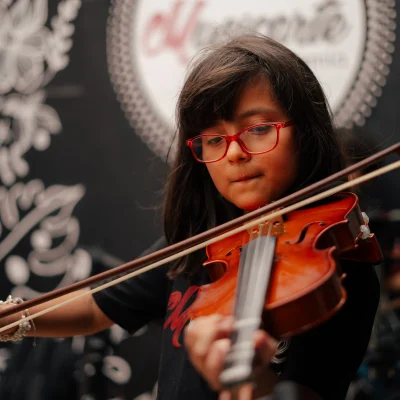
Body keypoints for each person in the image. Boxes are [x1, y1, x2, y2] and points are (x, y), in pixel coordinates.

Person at [0, 34, 380, 400]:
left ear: (307, 134)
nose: (234, 153)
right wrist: (14, 318)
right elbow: (94, 309)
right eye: (214, 139)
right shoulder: (203, 241)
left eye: (259, 129)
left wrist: (245, 380)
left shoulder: (336, 270)